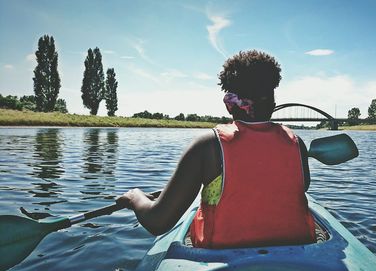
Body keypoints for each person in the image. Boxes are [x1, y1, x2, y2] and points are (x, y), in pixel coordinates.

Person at [117, 50, 316, 248]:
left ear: (229, 103)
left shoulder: (208, 146)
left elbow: (157, 222)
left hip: (221, 259)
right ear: (273, 102)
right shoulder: (297, 144)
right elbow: (293, 188)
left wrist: (135, 196)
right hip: (294, 256)